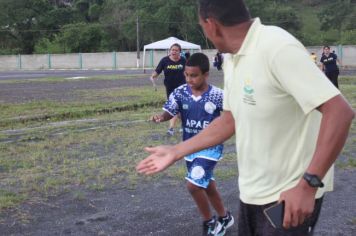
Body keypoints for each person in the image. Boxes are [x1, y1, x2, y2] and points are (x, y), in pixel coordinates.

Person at [137, 1, 355, 236]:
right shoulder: (233, 58)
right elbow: (230, 120)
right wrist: (176, 151)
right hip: (253, 191)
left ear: (211, 25)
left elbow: (339, 111)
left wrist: (308, 184)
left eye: (202, 26)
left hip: (288, 195)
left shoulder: (277, 47)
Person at [148, 53, 234, 236]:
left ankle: (211, 223)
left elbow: (230, 118)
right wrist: (161, 117)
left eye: (194, 75)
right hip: (189, 147)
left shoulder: (219, 95)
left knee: (193, 185)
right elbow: (170, 112)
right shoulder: (180, 92)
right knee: (206, 185)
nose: (189, 79)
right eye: (186, 75)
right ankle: (225, 217)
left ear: (206, 75)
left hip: (210, 147)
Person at [150, 43, 186, 135]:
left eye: (176, 50)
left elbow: (189, 71)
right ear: (170, 51)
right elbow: (157, 71)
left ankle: (172, 128)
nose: (174, 51)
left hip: (182, 88)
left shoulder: (183, 60)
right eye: (172, 50)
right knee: (175, 109)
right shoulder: (164, 60)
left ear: (180, 52)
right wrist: (153, 76)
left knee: (176, 108)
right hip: (169, 88)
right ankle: (182, 124)